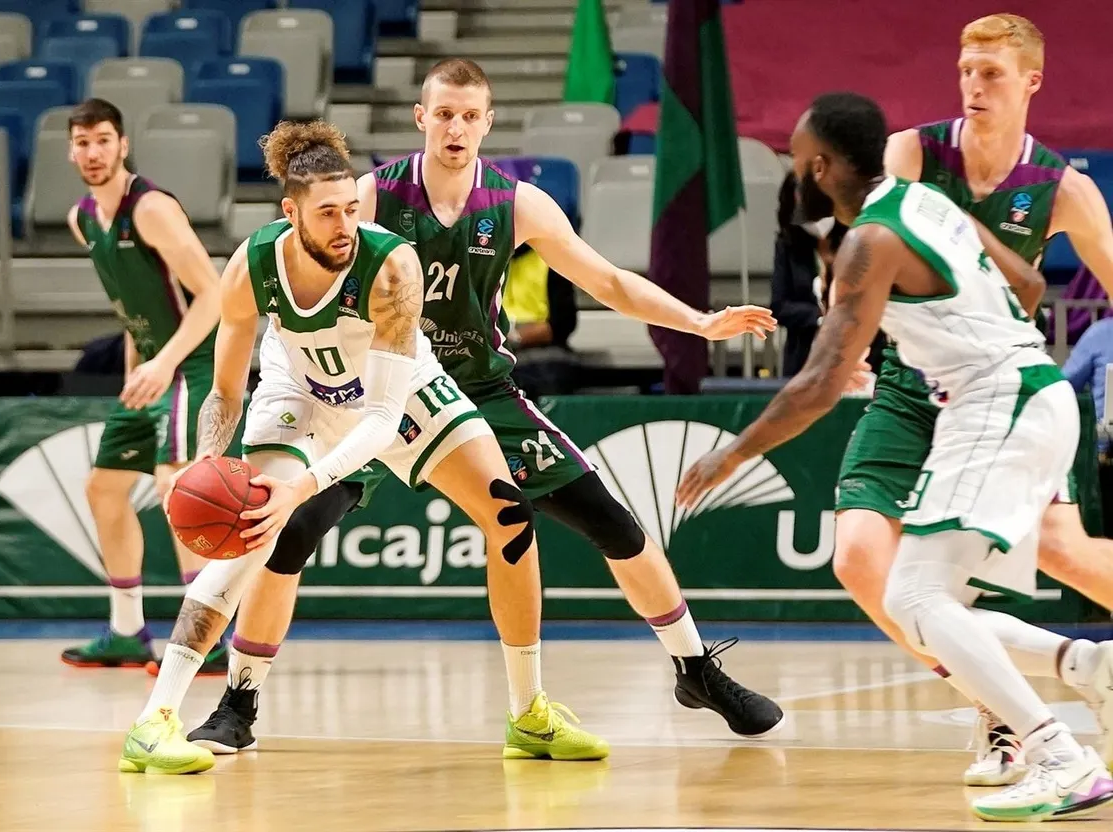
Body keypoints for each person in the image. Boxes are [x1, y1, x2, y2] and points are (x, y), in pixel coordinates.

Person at [183, 58, 784, 757]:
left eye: (470, 116)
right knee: (290, 530)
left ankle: (694, 668)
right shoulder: (372, 197)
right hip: (373, 386)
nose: (456, 127)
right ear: (421, 118)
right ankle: (239, 699)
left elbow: (609, 280)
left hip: (477, 390)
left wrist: (700, 322)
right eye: (444, 113)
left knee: (611, 521)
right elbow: (297, 275)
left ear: (488, 123)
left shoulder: (516, 203)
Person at [119, 120, 622, 775]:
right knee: (255, 528)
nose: (343, 225)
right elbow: (223, 391)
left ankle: (528, 713)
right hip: (297, 389)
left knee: (509, 514)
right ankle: (155, 721)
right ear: (289, 212)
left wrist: (307, 484)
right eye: (326, 213)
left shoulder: (391, 266)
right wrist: (211, 460)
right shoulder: (252, 265)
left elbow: (383, 417)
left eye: (351, 209)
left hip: (395, 389)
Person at [677, 91, 1113, 823]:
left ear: (820, 166)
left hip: (996, 403)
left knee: (916, 597)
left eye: (793, 158)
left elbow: (818, 383)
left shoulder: (871, 240)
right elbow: (1031, 284)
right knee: (913, 601)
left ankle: (1059, 755)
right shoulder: (923, 201)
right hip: (1008, 396)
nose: (792, 173)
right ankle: (1086, 668)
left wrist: (733, 454)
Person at [827, 13, 1113, 782]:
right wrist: (843, 344)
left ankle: (1058, 691)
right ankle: (1004, 713)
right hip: (910, 387)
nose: (974, 85)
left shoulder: (1062, 188)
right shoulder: (914, 153)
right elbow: (857, 256)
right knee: (860, 560)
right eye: (965, 70)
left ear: (1032, 82)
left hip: (999, 392)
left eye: (991, 72)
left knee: (1064, 553)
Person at [57, 98, 230, 672]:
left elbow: (213, 296)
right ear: (70, 151)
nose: (93, 152)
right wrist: (140, 365)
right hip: (154, 364)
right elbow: (136, 303)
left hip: (197, 360)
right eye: (82, 142)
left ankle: (204, 640)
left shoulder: (151, 208)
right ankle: (127, 631)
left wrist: (164, 365)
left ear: (123, 144)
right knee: (103, 488)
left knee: (177, 488)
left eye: (103, 139)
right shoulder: (83, 219)